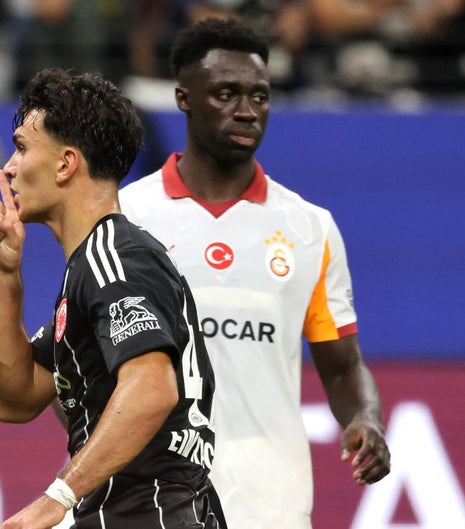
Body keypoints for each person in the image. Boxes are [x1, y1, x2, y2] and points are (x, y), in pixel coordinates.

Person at [119, 17, 390, 529]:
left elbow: (342, 366)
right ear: (183, 98)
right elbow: (79, 362)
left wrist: (364, 418)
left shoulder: (309, 228)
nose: (247, 111)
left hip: (271, 506)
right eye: (226, 94)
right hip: (152, 504)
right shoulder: (126, 219)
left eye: (260, 96)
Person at [0, 68, 222, 528]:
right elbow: (16, 400)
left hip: (150, 515)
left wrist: (54, 501)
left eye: (22, 148)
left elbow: (152, 388)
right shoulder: (97, 265)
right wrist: (4, 279)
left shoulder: (115, 258)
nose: (8, 167)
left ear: (65, 164)